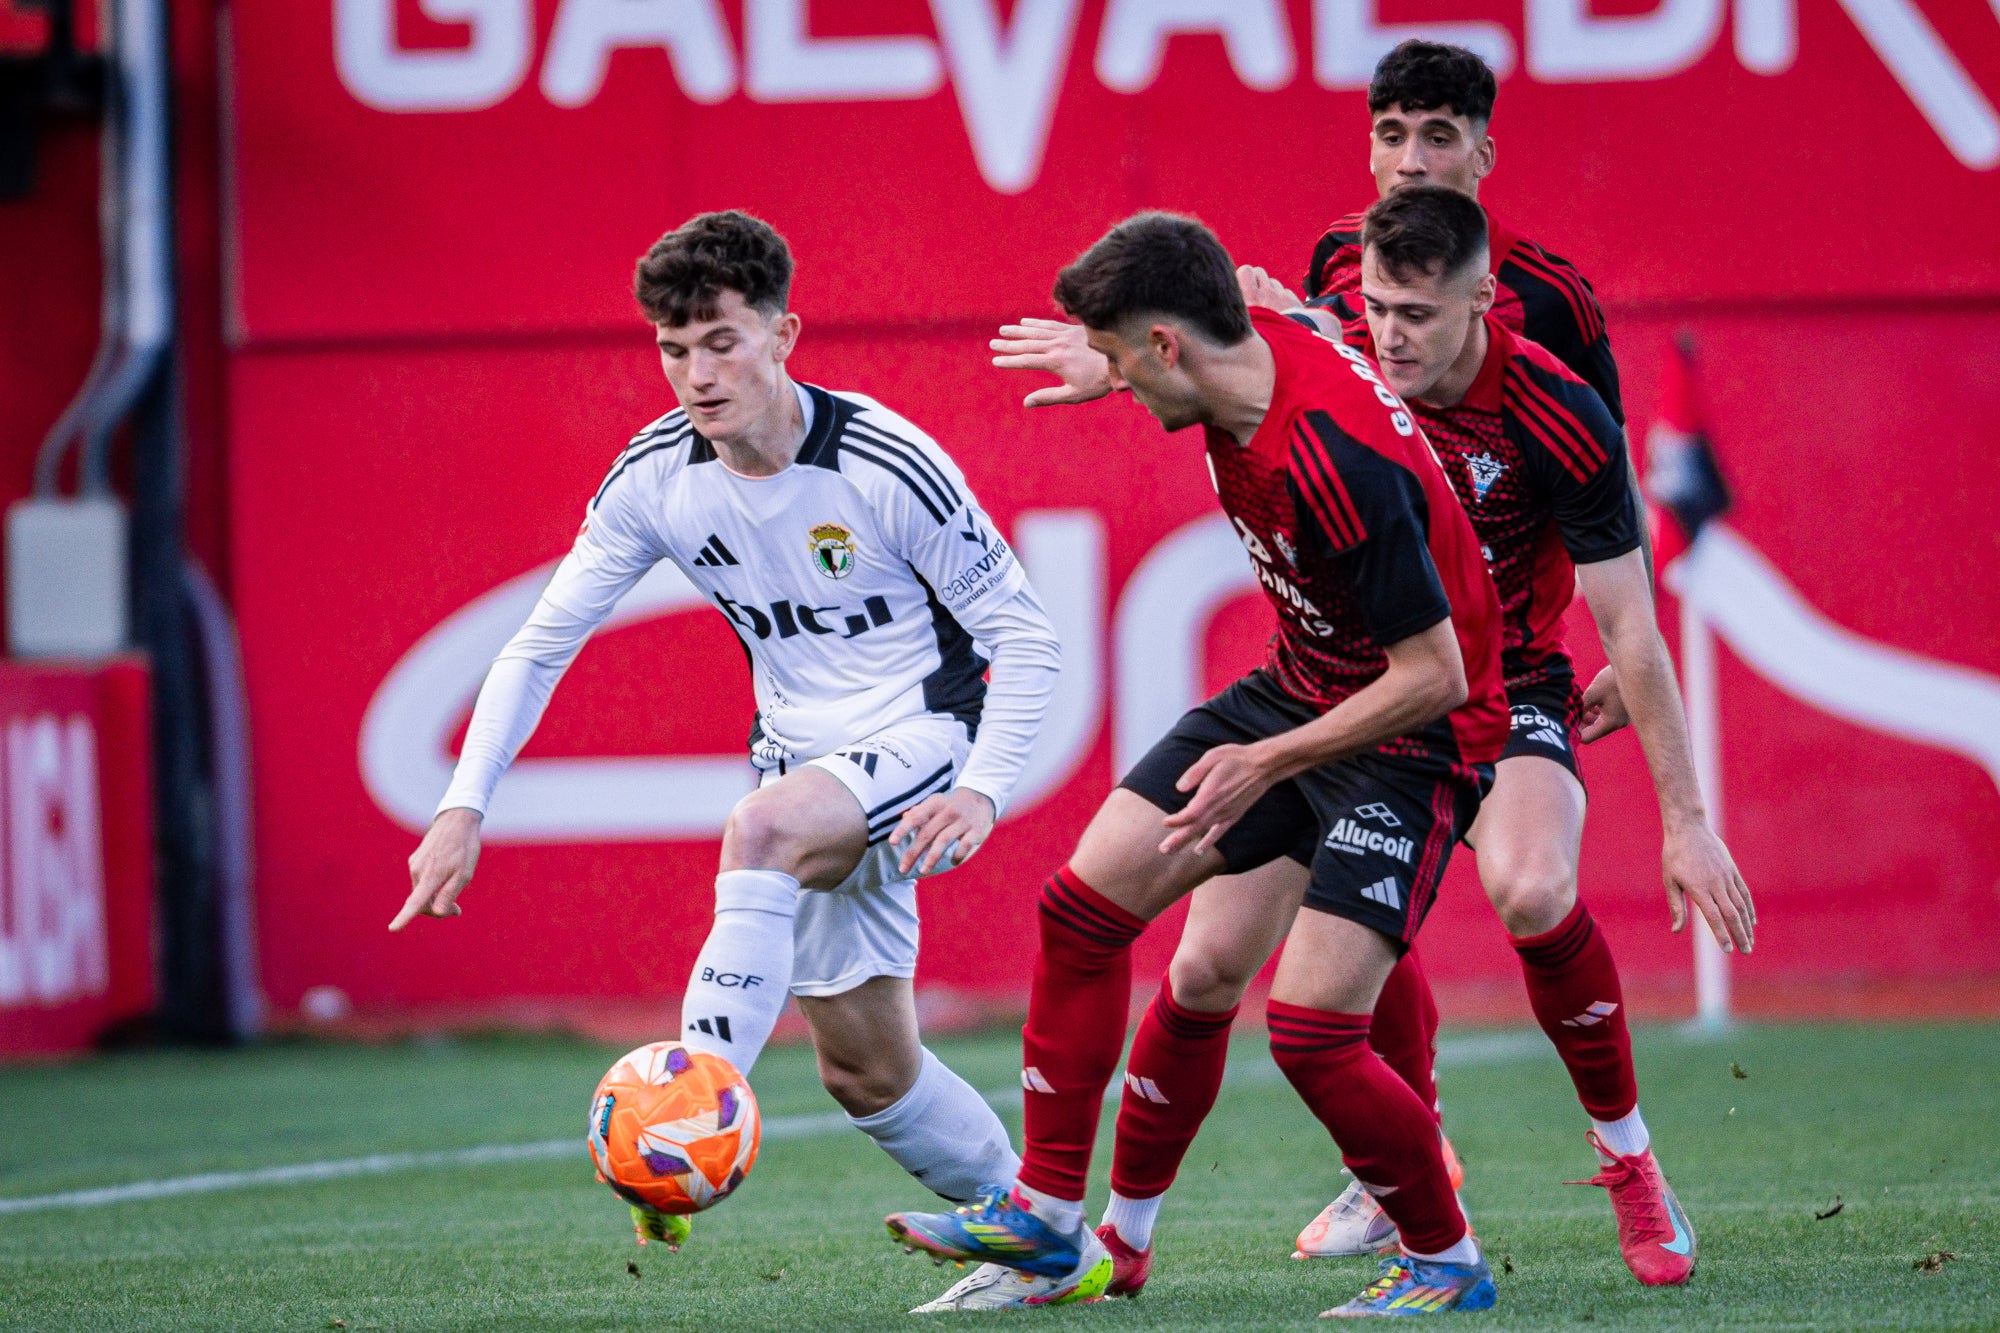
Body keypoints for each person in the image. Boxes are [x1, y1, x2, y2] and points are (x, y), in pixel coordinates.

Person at [388, 212, 1062, 1284]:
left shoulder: (885, 462)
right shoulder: (657, 475)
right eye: (672, 347)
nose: (696, 374)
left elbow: (1023, 636)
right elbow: (541, 641)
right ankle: (1041, 1237)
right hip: (803, 760)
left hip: (926, 738)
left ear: (784, 334)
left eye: (721, 342)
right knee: (866, 1070)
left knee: (758, 830)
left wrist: (982, 787)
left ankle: (674, 1134)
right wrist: (462, 804)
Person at [885, 212, 1509, 1319]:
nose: (1121, 387)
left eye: (1127, 363)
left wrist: (1265, 761)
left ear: (1170, 347)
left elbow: (1438, 676)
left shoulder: (1333, 462)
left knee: (1312, 1030)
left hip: (1408, 739)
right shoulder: (1254, 332)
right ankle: (1045, 1215)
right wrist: (1098, 348)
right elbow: (1252, 287)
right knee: (1082, 909)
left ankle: (1446, 1262)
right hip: (1304, 685)